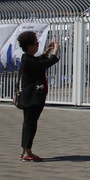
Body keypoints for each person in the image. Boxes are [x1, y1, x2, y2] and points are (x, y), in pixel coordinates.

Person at [17, 31, 60, 162]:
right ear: (29, 46)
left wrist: (46, 52)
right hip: (32, 98)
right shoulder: (29, 61)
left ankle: (24, 150)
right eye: (36, 43)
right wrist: (55, 52)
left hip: (30, 97)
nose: (37, 45)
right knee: (30, 125)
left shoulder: (27, 58)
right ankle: (27, 152)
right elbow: (44, 64)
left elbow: (38, 61)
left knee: (28, 124)